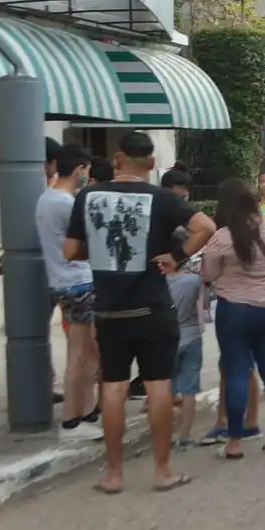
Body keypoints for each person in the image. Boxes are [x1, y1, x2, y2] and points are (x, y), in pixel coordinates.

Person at [64, 130, 215, 493]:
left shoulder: (88, 196)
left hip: (109, 309)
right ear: (150, 164)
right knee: (158, 386)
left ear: (116, 161)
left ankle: (114, 474)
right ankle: (162, 471)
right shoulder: (161, 197)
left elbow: (70, 251)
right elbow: (206, 227)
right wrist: (176, 256)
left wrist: (101, 256)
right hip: (153, 307)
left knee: (113, 387)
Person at [201, 177, 265, 460]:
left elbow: (208, 275)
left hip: (235, 312)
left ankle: (235, 443)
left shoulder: (222, 236)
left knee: (237, 373)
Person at [37, 144, 102, 442]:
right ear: (79, 169)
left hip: (65, 284)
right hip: (79, 283)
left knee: (88, 352)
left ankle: (86, 413)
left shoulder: (46, 199)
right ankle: (71, 422)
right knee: (80, 355)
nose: (87, 177)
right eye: (86, 171)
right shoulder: (67, 204)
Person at [167, 252, 207, 450]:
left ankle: (165, 436)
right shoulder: (195, 280)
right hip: (191, 336)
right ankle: (185, 437)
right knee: (189, 389)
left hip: (166, 339)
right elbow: (202, 312)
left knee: (165, 389)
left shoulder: (157, 282)